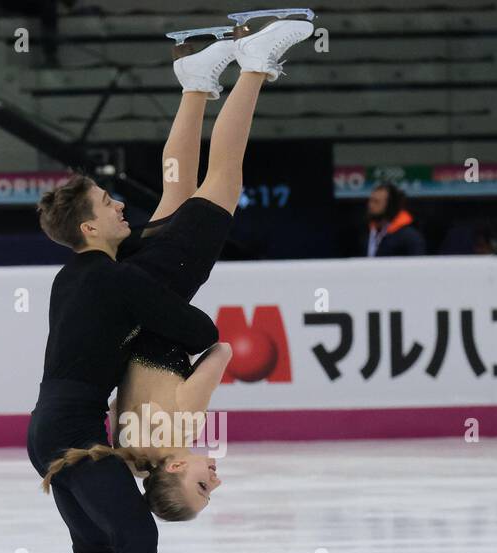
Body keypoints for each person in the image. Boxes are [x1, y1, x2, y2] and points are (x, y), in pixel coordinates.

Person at [28, 10, 315, 553]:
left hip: (61, 425)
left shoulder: (93, 276)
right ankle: (210, 80)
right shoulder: (99, 273)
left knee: (217, 183)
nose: (117, 202)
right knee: (189, 189)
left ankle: (250, 67)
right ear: (92, 229)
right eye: (106, 202)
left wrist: (174, 345)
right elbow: (165, 324)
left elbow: (203, 331)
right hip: (53, 430)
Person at [42, 9, 316, 522]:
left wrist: (190, 351)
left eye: (201, 487)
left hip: (167, 284)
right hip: (139, 293)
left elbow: (221, 350)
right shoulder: (126, 449)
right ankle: (194, 83)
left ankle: (254, 64)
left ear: (173, 473)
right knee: (176, 189)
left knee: (226, 177)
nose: (214, 480)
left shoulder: (176, 434)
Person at [365, 181, 426, 256]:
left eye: (376, 202)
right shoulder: (367, 232)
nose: (370, 205)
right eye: (370, 200)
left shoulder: (409, 237)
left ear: (390, 205)